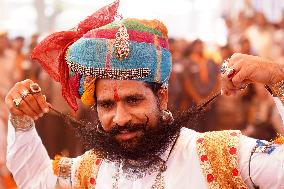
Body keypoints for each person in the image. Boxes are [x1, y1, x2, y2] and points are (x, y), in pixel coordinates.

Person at [4, 1, 284, 188]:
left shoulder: (219, 155)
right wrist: (21, 121)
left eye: (133, 100)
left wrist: (277, 79)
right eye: (106, 105)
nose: (121, 118)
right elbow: (36, 180)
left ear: (161, 97)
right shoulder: (91, 169)